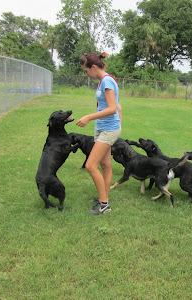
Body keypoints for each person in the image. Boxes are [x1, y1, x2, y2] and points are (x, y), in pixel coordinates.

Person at [77, 52, 122, 215]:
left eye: (86, 71)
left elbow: (112, 108)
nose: (86, 74)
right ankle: (104, 198)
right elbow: (118, 106)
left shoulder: (107, 81)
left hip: (108, 130)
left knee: (90, 165)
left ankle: (104, 205)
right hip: (103, 127)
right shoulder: (104, 81)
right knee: (105, 165)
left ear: (94, 67)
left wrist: (89, 117)